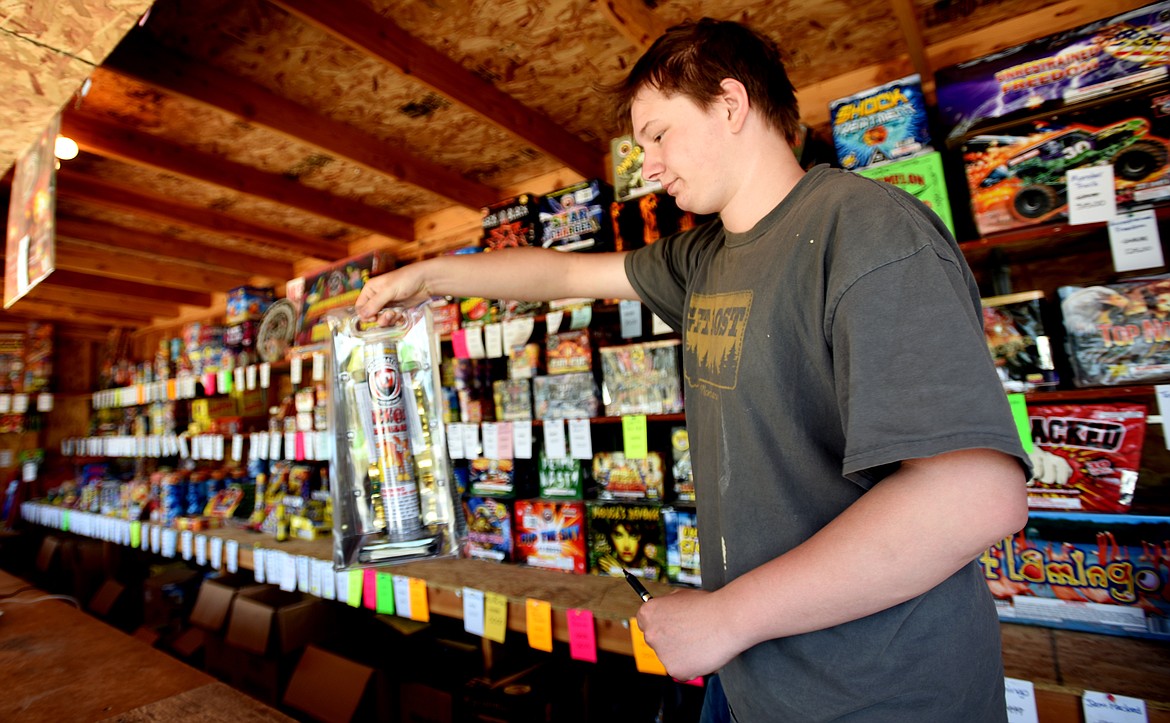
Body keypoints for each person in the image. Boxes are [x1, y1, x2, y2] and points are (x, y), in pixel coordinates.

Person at [357, 17, 1030, 722]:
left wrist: (728, 617)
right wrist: (430, 274)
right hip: (750, 681)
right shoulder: (705, 256)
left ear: (732, 104)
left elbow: (975, 494)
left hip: (878, 697)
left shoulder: (864, 227)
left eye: (656, 134)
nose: (646, 164)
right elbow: (561, 269)